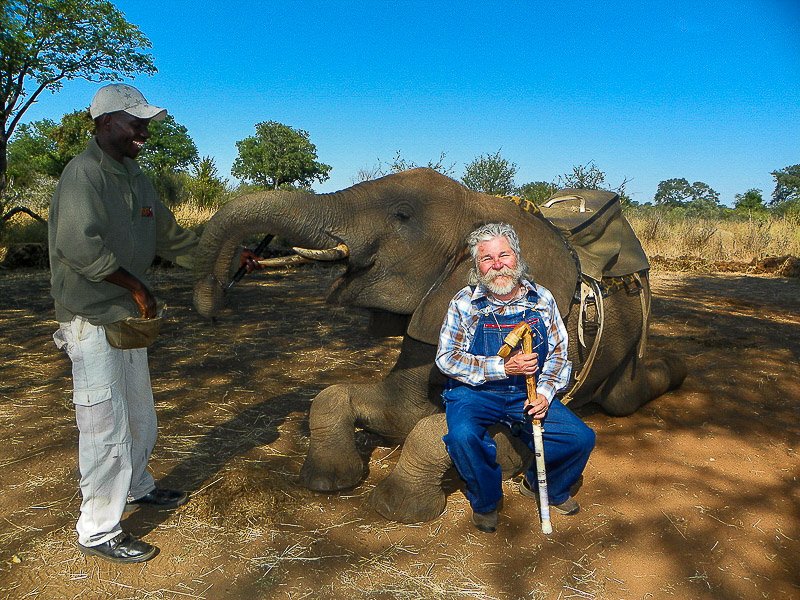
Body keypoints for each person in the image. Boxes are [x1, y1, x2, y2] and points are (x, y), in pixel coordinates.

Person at [48, 84, 261, 563]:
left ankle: (137, 486)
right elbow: (78, 247)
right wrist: (138, 287)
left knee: (139, 413)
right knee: (103, 423)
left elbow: (174, 239)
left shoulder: (135, 178)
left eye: (145, 122)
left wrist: (227, 259)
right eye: (135, 122)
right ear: (105, 123)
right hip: (91, 317)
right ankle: (98, 529)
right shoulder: (82, 175)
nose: (144, 131)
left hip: (127, 320)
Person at [435, 222, 595, 533]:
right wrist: (502, 368)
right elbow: (446, 358)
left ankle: (542, 485)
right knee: (462, 436)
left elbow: (561, 354)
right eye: (487, 259)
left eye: (504, 255)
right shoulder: (464, 303)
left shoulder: (541, 299)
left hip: (527, 391)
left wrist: (546, 393)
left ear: (517, 257)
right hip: (474, 392)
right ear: (477, 266)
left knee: (580, 438)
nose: (497, 265)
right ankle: (485, 500)